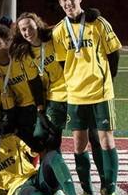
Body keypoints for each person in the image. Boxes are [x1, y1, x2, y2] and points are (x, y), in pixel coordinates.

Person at [52, 0, 122, 195]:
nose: (68, 2)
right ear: (59, 2)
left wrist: (106, 80)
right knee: (79, 144)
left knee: (106, 140)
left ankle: (110, 190)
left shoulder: (99, 23)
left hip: (101, 93)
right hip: (75, 95)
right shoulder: (59, 31)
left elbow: (114, 52)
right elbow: (64, 63)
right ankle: (87, 192)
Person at [11, 12, 106, 180]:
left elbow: (70, 24)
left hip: (78, 92)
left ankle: (106, 182)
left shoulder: (53, 37)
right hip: (55, 98)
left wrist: (89, 14)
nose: (27, 32)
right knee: (47, 138)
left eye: (30, 27)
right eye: (23, 29)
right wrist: (40, 108)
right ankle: (57, 180)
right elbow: (35, 83)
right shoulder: (25, 53)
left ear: (38, 26)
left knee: (93, 136)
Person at [0, 110, 82, 195]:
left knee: (52, 155)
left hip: (36, 178)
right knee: (32, 194)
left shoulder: (11, 139)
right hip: (18, 190)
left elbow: (35, 150)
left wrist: (23, 133)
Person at [0, 24, 43, 143]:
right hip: (11, 110)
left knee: (36, 142)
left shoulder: (20, 59)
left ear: (7, 43)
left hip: (30, 107)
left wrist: (40, 107)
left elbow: (36, 83)